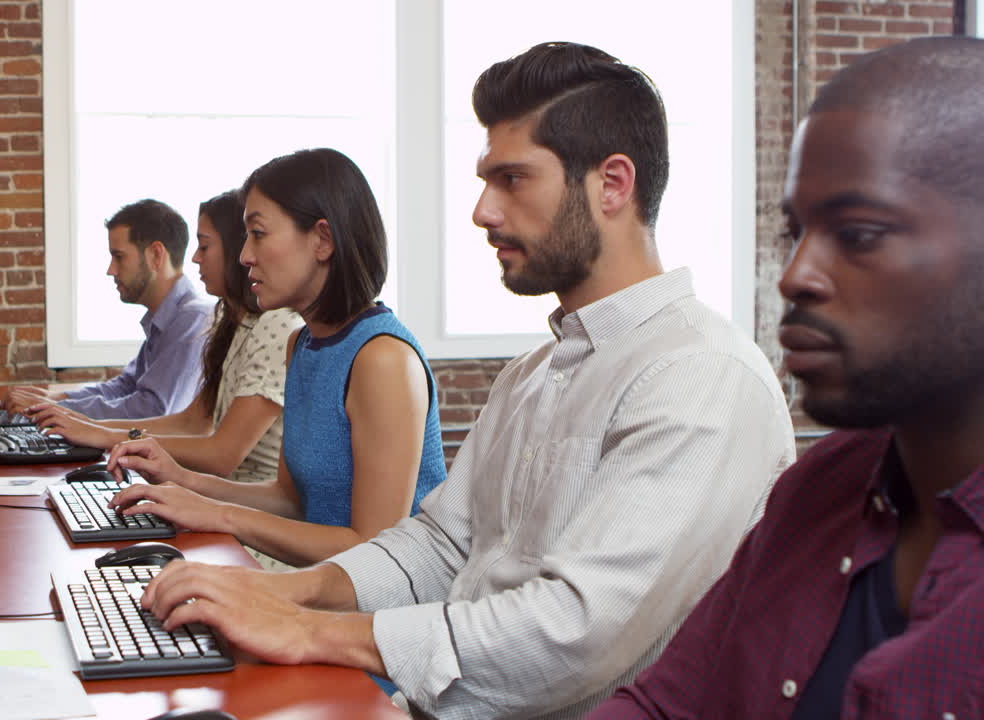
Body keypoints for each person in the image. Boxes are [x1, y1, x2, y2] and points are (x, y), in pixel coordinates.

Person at [125, 42, 795, 720]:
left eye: (512, 179)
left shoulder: (703, 375)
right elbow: (439, 546)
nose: (483, 211)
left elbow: (573, 631)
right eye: (485, 180)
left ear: (612, 184)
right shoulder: (531, 375)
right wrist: (281, 594)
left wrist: (309, 630)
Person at [585, 36, 984, 719]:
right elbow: (665, 705)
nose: (795, 276)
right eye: (793, 232)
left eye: (858, 234)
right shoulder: (820, 488)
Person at [106, 148, 447, 569]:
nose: (244, 255)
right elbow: (290, 499)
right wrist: (183, 480)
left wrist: (219, 514)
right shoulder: (302, 344)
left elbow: (374, 553)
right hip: (320, 585)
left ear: (322, 240)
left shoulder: (383, 359)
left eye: (258, 233)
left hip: (382, 603)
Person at [29, 190, 300, 485]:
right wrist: (94, 428)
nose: (194, 258)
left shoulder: (273, 323)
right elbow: (191, 423)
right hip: (223, 495)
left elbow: (222, 455)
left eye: (204, 246)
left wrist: (104, 435)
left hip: (243, 501)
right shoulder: (232, 322)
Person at [2, 199, 213, 419]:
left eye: (119, 257)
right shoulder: (165, 317)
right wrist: (54, 399)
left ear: (156, 255)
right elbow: (125, 387)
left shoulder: (192, 319)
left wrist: (55, 408)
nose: (111, 270)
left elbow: (152, 409)